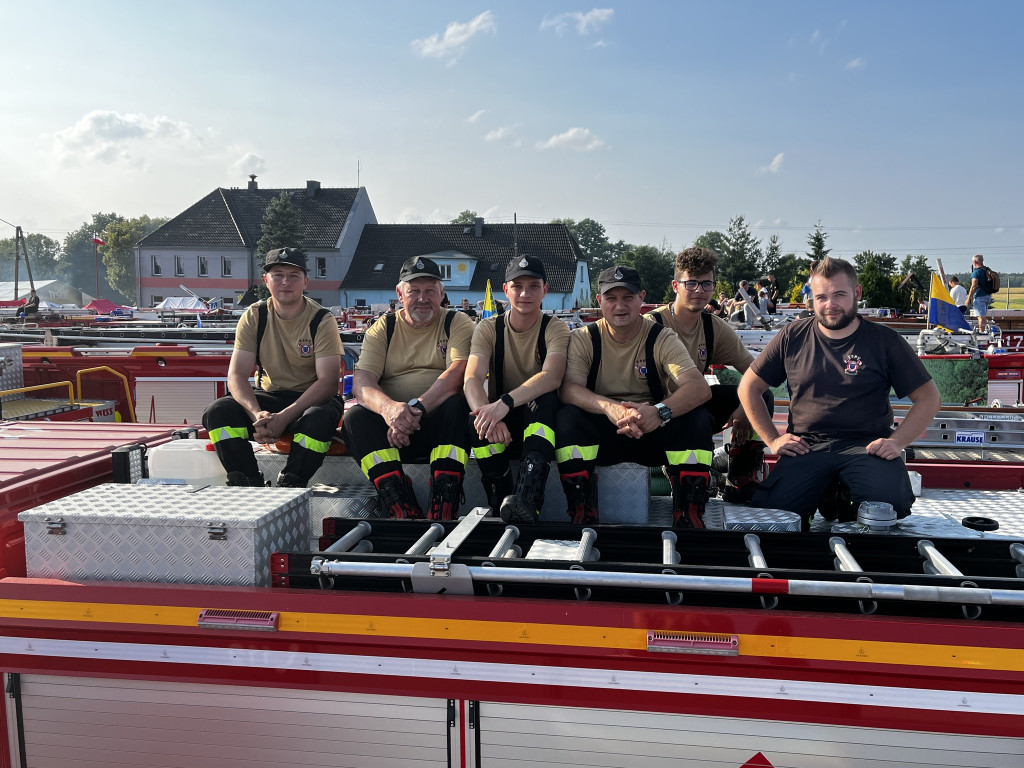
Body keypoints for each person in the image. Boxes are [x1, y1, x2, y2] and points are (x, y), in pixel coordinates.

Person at [737, 256, 941, 529]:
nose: (830, 304)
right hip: (807, 446)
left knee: (890, 504)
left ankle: (844, 495)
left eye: (839, 295)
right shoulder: (792, 337)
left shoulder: (884, 341)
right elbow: (748, 387)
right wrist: (773, 440)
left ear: (856, 293)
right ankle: (826, 492)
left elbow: (928, 398)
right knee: (777, 514)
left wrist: (896, 442)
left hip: (866, 447)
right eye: (821, 296)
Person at [556, 265, 715, 528]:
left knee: (698, 418)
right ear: (599, 301)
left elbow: (699, 388)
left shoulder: (662, 337)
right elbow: (569, 389)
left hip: (650, 429)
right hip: (605, 433)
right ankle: (581, 508)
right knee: (567, 417)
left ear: (642, 297)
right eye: (611, 298)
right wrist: (611, 408)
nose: (620, 306)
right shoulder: (585, 338)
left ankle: (689, 512)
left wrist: (660, 412)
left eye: (628, 297)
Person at [342, 256, 475, 520]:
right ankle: (399, 503)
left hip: (440, 429)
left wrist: (415, 409)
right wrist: (390, 411)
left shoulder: (457, 323)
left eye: (430, 291)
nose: (422, 298)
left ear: (442, 293)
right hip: (393, 431)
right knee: (354, 417)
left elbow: (457, 373)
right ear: (400, 294)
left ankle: (445, 500)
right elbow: (363, 381)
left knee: (457, 404)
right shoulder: (383, 328)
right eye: (414, 291)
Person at [203, 248, 344, 487]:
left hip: (309, 400)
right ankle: (248, 482)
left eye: (294, 275)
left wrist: (285, 416)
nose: (286, 282)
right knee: (217, 412)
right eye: (278, 274)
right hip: (267, 398)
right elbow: (236, 376)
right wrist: (257, 414)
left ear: (305, 282)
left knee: (320, 418)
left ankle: (291, 482)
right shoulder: (254, 316)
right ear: (266, 280)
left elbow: (329, 382)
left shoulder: (321, 320)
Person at [649, 247, 776, 500]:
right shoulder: (652, 325)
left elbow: (756, 374)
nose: (699, 290)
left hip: (696, 406)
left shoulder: (713, 327)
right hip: (658, 413)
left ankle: (738, 476)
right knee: (698, 415)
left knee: (762, 397)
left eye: (706, 284)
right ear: (676, 285)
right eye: (692, 283)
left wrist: (745, 407)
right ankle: (682, 474)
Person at [464, 255, 570, 522]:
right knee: (474, 419)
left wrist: (504, 403)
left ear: (545, 290)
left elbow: (552, 376)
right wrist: (487, 415)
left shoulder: (556, 328)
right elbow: (472, 379)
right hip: (503, 421)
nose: (525, 293)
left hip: (535, 417)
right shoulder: (488, 328)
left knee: (545, 399)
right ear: (505, 290)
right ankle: (499, 493)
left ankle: (528, 496)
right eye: (517, 286)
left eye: (534, 286)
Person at [966, 254, 992, 332]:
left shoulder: (977, 272)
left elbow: (974, 286)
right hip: (987, 295)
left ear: (974, 261)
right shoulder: (987, 270)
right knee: (983, 315)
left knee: (981, 316)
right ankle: (983, 330)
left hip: (979, 296)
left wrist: (968, 298)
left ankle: (982, 333)